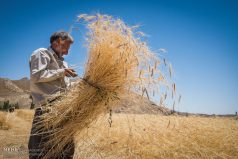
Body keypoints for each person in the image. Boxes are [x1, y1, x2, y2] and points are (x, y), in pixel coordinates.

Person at [28, 31, 77, 159]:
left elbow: (64, 87)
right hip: (46, 109)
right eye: (66, 47)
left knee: (66, 148)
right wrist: (62, 72)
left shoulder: (63, 63)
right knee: (40, 149)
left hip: (61, 110)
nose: (67, 52)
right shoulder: (42, 53)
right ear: (57, 42)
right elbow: (36, 75)